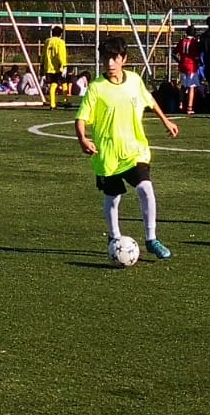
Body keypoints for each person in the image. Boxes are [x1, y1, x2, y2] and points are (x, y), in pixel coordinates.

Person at [75, 36, 180, 259]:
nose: (110, 64)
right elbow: (81, 118)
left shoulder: (134, 80)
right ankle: (114, 237)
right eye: (105, 59)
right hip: (108, 155)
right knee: (113, 198)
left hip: (135, 150)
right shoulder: (96, 88)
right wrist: (83, 138)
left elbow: (149, 101)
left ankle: (151, 239)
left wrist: (166, 121)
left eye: (114, 58)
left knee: (145, 189)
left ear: (124, 59)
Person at [174, 23, 200, 116]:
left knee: (183, 86)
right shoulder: (194, 42)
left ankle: (180, 104)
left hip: (182, 65)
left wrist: (179, 61)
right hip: (191, 66)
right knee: (191, 87)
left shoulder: (182, 41)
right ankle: (189, 107)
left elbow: (174, 53)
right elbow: (197, 55)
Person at [43, 26, 70, 109]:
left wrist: (42, 64)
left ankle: (52, 104)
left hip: (48, 67)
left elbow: (43, 54)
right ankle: (66, 101)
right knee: (64, 83)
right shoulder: (60, 42)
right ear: (60, 34)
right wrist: (64, 65)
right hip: (58, 67)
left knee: (53, 84)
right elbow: (61, 55)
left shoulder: (47, 41)